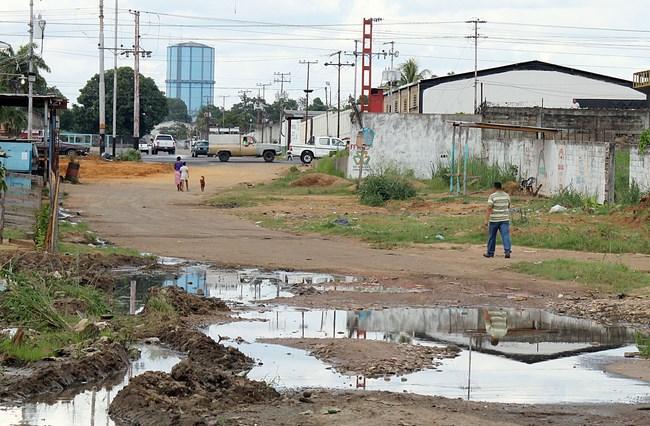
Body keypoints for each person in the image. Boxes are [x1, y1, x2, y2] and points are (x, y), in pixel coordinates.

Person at [484, 181, 511, 258]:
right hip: (505, 219)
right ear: (501, 187)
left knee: (492, 236)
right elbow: (508, 206)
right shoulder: (507, 195)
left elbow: (489, 208)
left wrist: (486, 220)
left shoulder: (492, 196)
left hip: (494, 220)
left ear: (494, 188)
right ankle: (507, 251)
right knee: (505, 235)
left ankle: (490, 252)